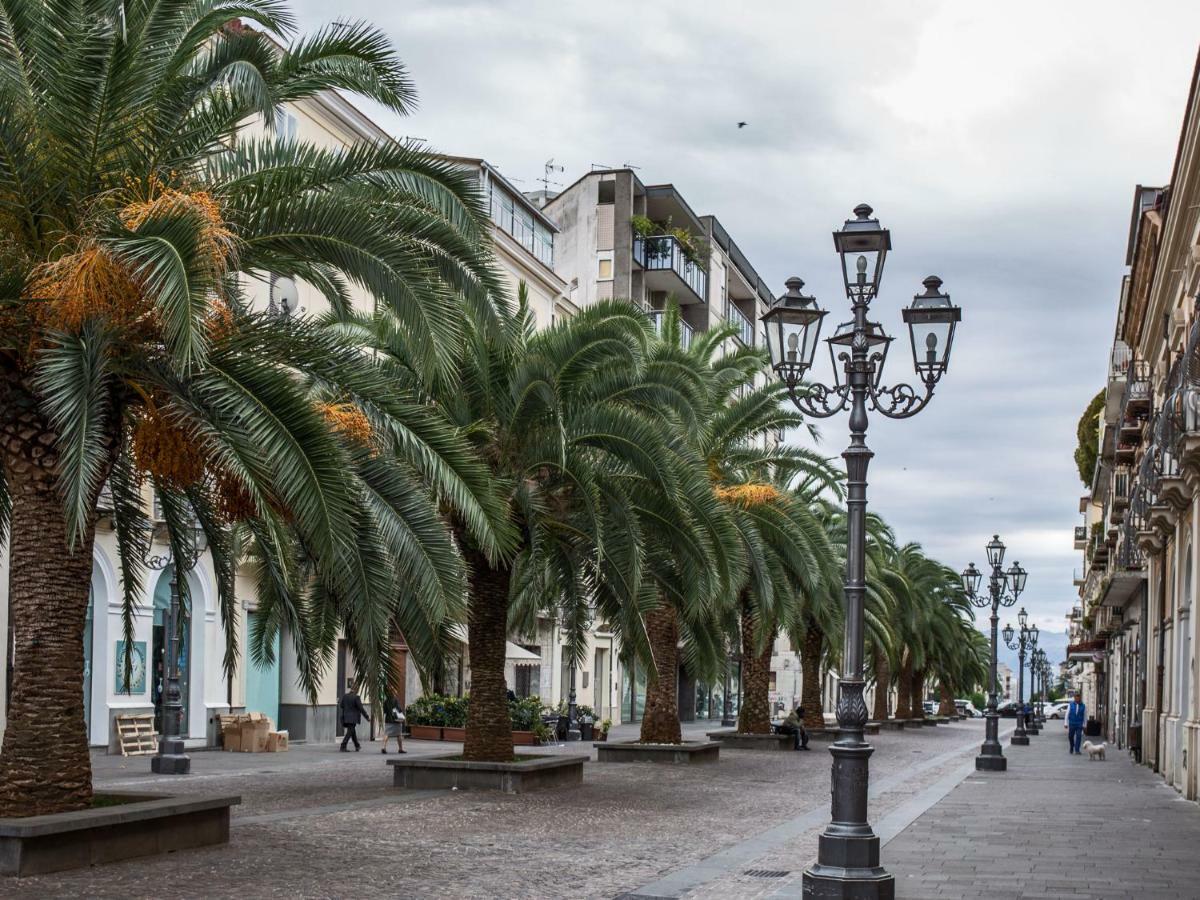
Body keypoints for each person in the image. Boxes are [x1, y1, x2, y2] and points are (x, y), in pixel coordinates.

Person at [338, 683, 370, 752]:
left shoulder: (345, 696)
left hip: (346, 717)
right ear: (357, 689)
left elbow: (341, 705)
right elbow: (361, 708)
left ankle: (357, 745)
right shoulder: (356, 697)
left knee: (352, 731)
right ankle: (343, 746)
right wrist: (367, 717)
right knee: (350, 731)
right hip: (353, 718)